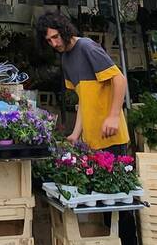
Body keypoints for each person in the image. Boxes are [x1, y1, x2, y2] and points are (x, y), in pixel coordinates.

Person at [35, 12, 129, 151]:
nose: (54, 44)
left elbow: (119, 79)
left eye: (55, 37)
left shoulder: (86, 46)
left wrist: (114, 116)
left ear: (65, 30)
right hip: (91, 140)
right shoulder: (65, 58)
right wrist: (75, 134)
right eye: (49, 40)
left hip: (111, 136)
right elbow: (84, 100)